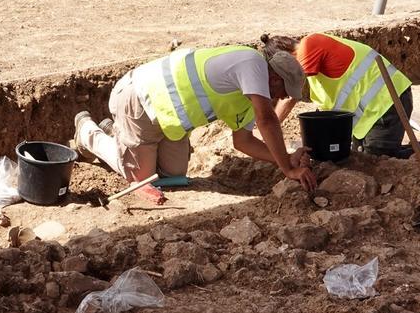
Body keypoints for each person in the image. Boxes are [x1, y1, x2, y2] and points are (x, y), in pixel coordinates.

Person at [74, 45, 318, 203]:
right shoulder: (252, 63)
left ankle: (119, 135)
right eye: (284, 90)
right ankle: (88, 132)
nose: (284, 98)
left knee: (173, 175)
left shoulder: (248, 98)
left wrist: (285, 157)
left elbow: (242, 141)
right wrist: (287, 168)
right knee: (142, 178)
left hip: (170, 124)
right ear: (274, 78)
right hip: (140, 101)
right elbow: (267, 120)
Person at [262, 32, 414, 159]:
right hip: (370, 115)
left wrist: (270, 128)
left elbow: (290, 97)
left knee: (379, 163)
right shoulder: (314, 75)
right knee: (362, 160)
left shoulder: (310, 45)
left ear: (286, 56)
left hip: (387, 103)